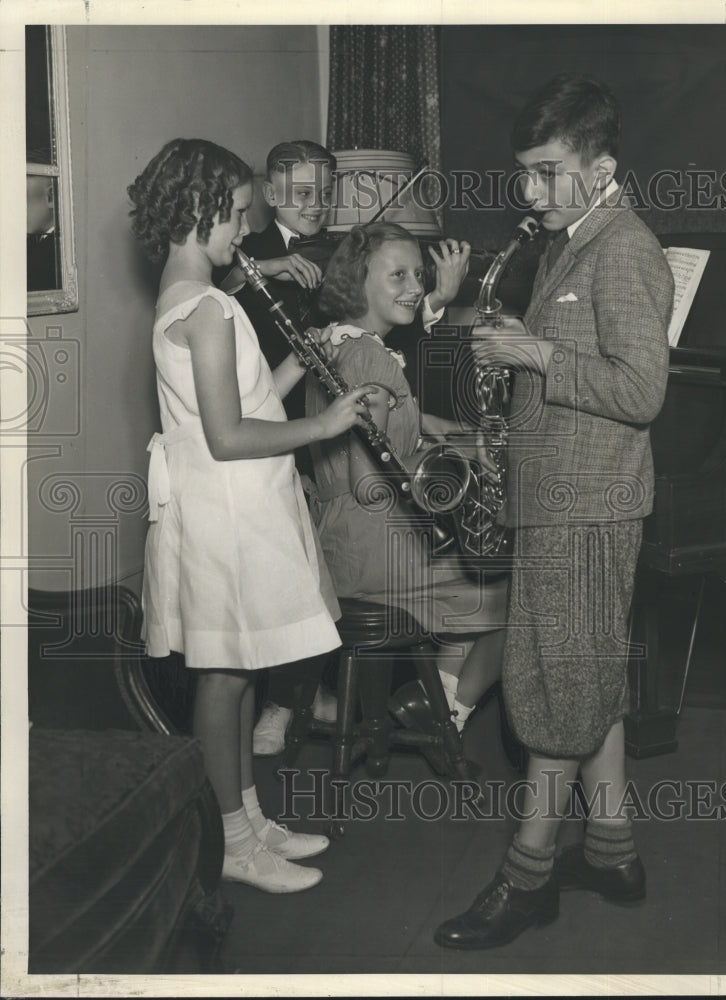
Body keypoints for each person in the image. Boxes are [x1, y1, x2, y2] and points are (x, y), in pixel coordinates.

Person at [433, 74, 674, 949]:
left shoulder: (623, 247)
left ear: (600, 167)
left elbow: (642, 391)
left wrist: (531, 352)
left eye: (544, 172)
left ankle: (526, 877)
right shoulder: (571, 238)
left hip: (586, 507)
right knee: (589, 676)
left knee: (553, 689)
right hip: (561, 496)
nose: (527, 192)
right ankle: (612, 854)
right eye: (523, 174)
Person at [128, 138, 372, 894]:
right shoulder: (203, 308)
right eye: (235, 216)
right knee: (225, 676)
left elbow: (246, 395)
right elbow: (231, 435)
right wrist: (323, 427)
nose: (244, 233)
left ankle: (250, 819)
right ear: (198, 212)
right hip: (226, 508)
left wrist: (306, 357)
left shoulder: (201, 299)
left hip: (236, 503)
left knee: (238, 672)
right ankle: (229, 838)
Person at [305, 220, 509, 742]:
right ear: (357, 280)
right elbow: (374, 475)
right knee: (516, 594)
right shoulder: (371, 358)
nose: (415, 287)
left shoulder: (340, 345)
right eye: (397, 275)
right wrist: (460, 459)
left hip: (341, 538)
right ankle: (445, 706)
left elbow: (383, 432)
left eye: (418, 274)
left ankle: (431, 699)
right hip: (376, 542)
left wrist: (450, 434)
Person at [215, 139, 339, 753]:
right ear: (269, 196)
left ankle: (308, 688)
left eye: (324, 193)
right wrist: (266, 272)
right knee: (285, 570)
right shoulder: (243, 252)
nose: (315, 205)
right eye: (300, 194)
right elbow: (222, 288)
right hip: (274, 424)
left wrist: (434, 302)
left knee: (330, 562)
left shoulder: (341, 253)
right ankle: (283, 700)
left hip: (333, 421)